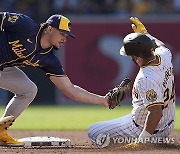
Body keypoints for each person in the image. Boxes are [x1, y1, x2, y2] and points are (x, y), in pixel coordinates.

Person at [0, 12, 109, 146]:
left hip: (3, 68)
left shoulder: (49, 59)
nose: (65, 39)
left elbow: (70, 90)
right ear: (50, 29)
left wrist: (102, 100)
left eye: (66, 35)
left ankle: (1, 131)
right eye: (62, 33)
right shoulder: (26, 25)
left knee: (29, 90)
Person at [88, 17, 176, 147]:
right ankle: (154, 138)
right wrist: (146, 35)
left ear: (137, 57)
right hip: (168, 124)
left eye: (131, 56)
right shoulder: (164, 54)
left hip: (147, 128)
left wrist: (142, 142)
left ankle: (146, 141)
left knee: (93, 131)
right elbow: (161, 45)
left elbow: (156, 113)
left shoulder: (145, 78)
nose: (131, 59)